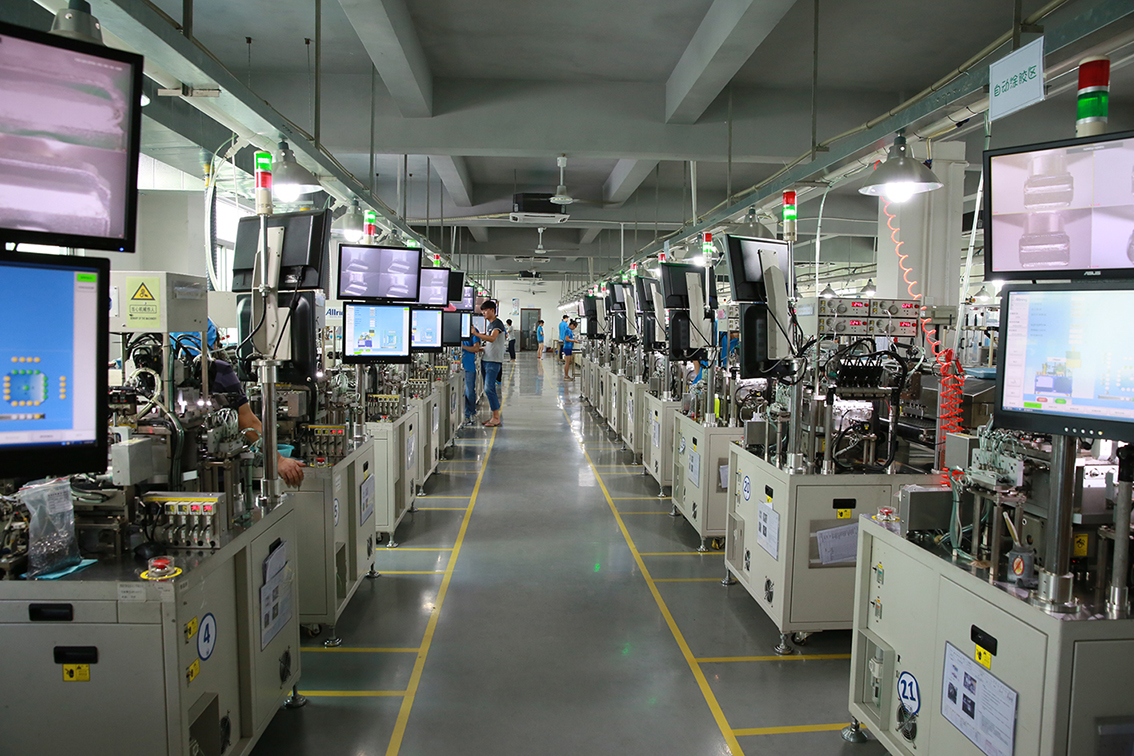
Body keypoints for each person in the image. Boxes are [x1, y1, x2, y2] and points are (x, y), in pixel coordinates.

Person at [171, 320, 305, 486]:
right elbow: (247, 421)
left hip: (172, 475)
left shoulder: (162, 375)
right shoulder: (218, 370)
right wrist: (278, 460)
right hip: (219, 475)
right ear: (212, 342)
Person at [471, 300, 506, 427]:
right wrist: (480, 349)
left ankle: (496, 418)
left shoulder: (497, 324)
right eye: (482, 311)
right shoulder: (490, 325)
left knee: (489, 388)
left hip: (493, 361)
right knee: (488, 389)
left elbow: (492, 338)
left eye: (485, 311)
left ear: (492, 310)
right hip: (486, 359)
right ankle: (494, 417)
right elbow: (491, 344)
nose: (484, 313)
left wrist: (476, 334)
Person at [460, 330, 482, 425]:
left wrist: (463, 347)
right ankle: (465, 415)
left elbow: (476, 348)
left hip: (468, 367)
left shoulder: (473, 331)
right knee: (460, 393)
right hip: (456, 368)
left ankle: (472, 412)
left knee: (469, 392)